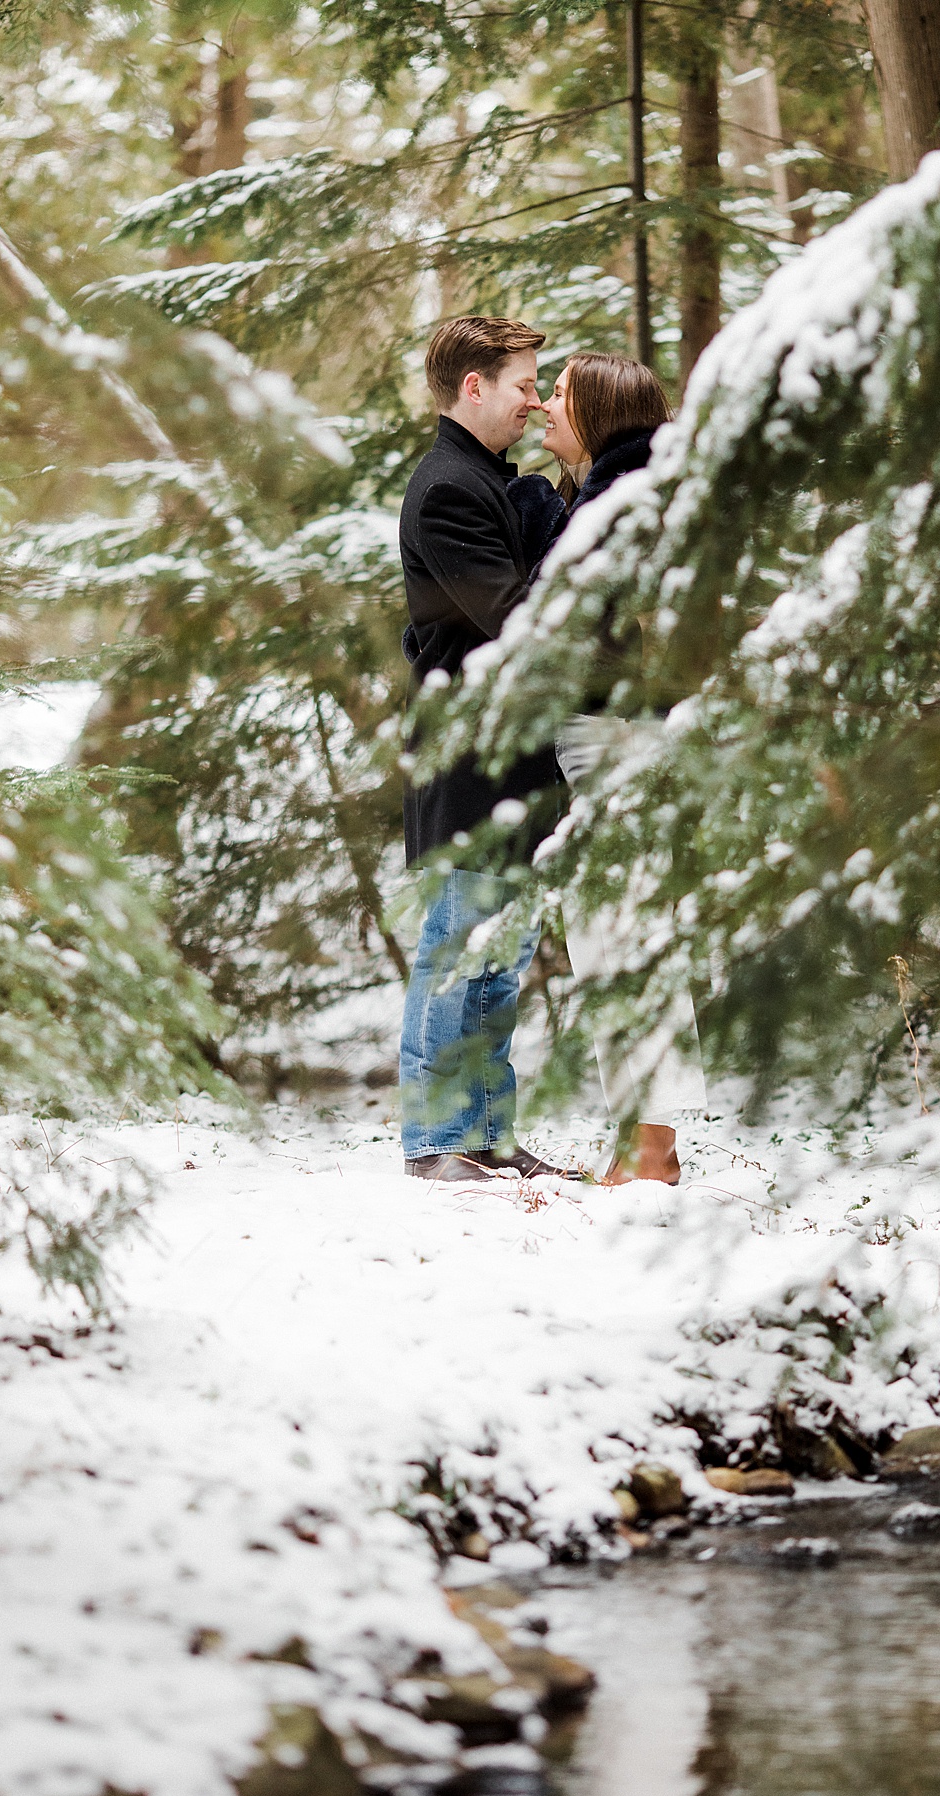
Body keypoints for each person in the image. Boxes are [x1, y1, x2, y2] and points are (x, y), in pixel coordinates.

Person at [508, 352, 708, 1186]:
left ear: (595, 412)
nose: (543, 405)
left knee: (624, 938)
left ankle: (649, 1152)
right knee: (617, 938)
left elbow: (566, 618)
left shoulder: (616, 504)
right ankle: (644, 1143)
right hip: (613, 736)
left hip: (618, 737)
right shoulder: (607, 496)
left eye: (557, 394)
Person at [398, 315, 570, 1185]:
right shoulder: (448, 490)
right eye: (524, 385)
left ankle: (489, 1133)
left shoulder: (490, 482)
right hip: (467, 764)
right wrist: (566, 522)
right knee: (454, 953)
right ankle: (434, 1142)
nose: (534, 400)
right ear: (475, 386)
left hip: (516, 761)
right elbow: (516, 622)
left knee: (500, 967)